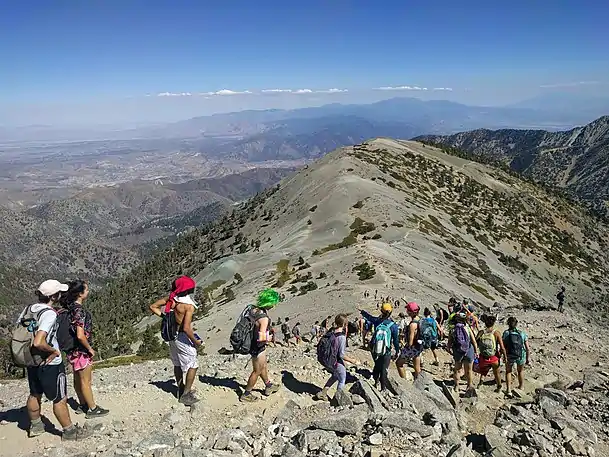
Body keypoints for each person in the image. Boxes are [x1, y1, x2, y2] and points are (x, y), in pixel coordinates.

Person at [20, 280, 92, 440]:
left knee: (34, 393)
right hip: (49, 363)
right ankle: (69, 431)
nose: (61, 295)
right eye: (59, 292)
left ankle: (36, 426)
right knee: (59, 398)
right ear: (54, 296)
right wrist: (53, 351)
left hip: (32, 360)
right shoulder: (49, 313)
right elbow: (38, 341)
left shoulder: (28, 309)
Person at [150, 276, 202, 406]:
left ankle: (180, 388)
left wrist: (167, 318)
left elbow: (153, 306)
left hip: (172, 336)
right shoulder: (188, 306)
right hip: (182, 336)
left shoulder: (171, 300)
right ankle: (186, 394)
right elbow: (186, 327)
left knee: (177, 363)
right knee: (193, 364)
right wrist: (196, 342)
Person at [61, 280, 109, 418]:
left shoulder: (69, 308)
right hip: (81, 350)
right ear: (80, 294)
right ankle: (92, 408)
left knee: (77, 378)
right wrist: (89, 348)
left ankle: (82, 405)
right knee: (86, 381)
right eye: (86, 290)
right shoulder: (79, 311)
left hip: (71, 350)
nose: (88, 291)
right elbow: (80, 335)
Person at [240, 289, 282, 402]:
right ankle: (246, 393)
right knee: (257, 371)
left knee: (263, 366)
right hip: (258, 347)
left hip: (252, 343)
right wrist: (268, 338)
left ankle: (268, 386)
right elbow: (261, 337)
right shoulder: (264, 318)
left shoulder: (253, 309)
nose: (274, 305)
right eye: (274, 303)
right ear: (269, 302)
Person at [314, 314, 359, 400]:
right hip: (335, 361)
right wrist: (353, 361)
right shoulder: (341, 337)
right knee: (342, 378)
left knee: (335, 375)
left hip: (326, 359)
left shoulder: (331, 331)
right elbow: (341, 354)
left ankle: (323, 393)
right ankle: (339, 399)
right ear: (344, 324)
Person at [361, 303, 399, 391]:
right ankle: (383, 388)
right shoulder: (393, 326)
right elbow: (396, 341)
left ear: (381, 311)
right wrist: (397, 351)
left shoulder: (377, 321)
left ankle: (375, 382)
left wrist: (362, 312)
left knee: (377, 365)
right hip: (386, 350)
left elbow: (369, 317)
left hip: (375, 347)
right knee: (384, 368)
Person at [447, 312, 478, 395]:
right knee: (469, 370)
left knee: (457, 369)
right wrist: (476, 351)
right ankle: (469, 385)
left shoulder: (453, 329)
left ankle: (456, 386)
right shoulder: (467, 328)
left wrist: (449, 349)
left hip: (457, 351)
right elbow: (474, 341)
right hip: (468, 350)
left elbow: (449, 342)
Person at [476, 314, 507, 392]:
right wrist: (505, 357)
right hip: (493, 357)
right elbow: (502, 347)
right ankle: (499, 386)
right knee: (497, 372)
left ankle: (480, 384)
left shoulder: (481, 332)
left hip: (483, 356)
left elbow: (475, 343)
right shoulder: (496, 333)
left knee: (483, 371)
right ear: (493, 323)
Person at [503, 316, 530, 398]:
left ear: (508, 324)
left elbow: (503, 345)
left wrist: (503, 356)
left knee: (508, 371)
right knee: (520, 371)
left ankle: (508, 390)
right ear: (516, 324)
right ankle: (521, 387)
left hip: (509, 355)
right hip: (521, 355)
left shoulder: (506, 333)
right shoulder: (522, 333)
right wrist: (528, 358)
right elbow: (527, 348)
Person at [396, 302, 424, 379]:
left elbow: (411, 341)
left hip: (413, 347)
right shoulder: (420, 319)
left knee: (398, 363)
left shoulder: (412, 324)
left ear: (411, 312)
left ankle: (404, 382)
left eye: (408, 310)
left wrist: (406, 346)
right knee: (417, 367)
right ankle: (419, 382)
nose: (407, 311)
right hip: (419, 346)